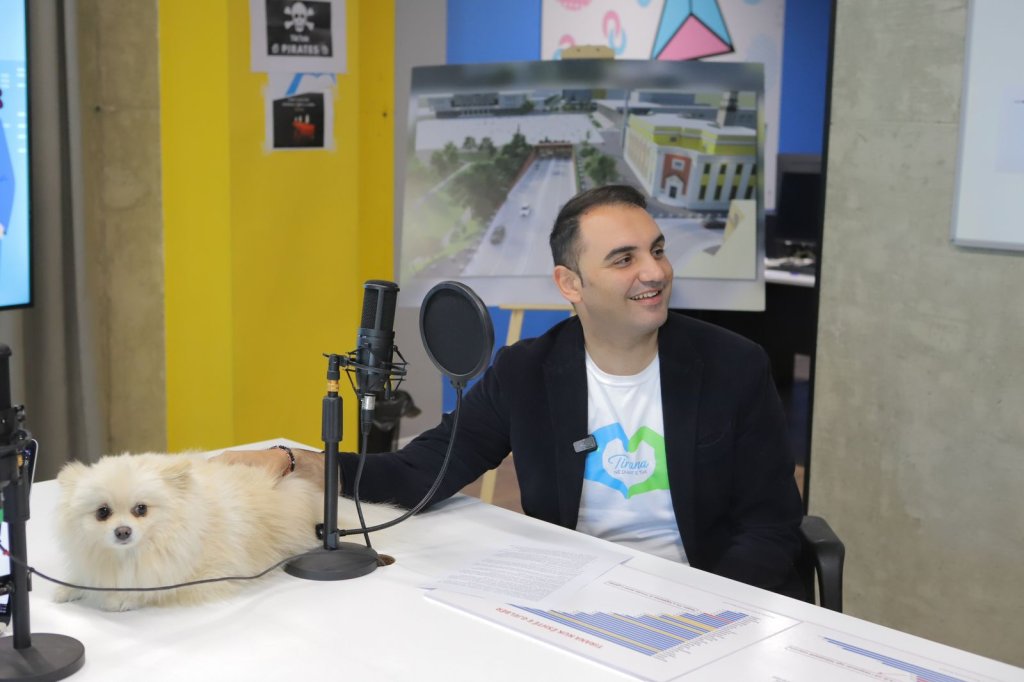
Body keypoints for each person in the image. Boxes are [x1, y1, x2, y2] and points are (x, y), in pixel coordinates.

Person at [226, 185, 805, 598]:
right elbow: (418, 473)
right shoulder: (526, 371)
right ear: (570, 283)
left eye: (656, 250)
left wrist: (703, 606)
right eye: (624, 260)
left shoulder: (734, 366)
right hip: (575, 596)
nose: (654, 272)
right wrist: (300, 462)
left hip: (702, 592)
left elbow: (772, 527)